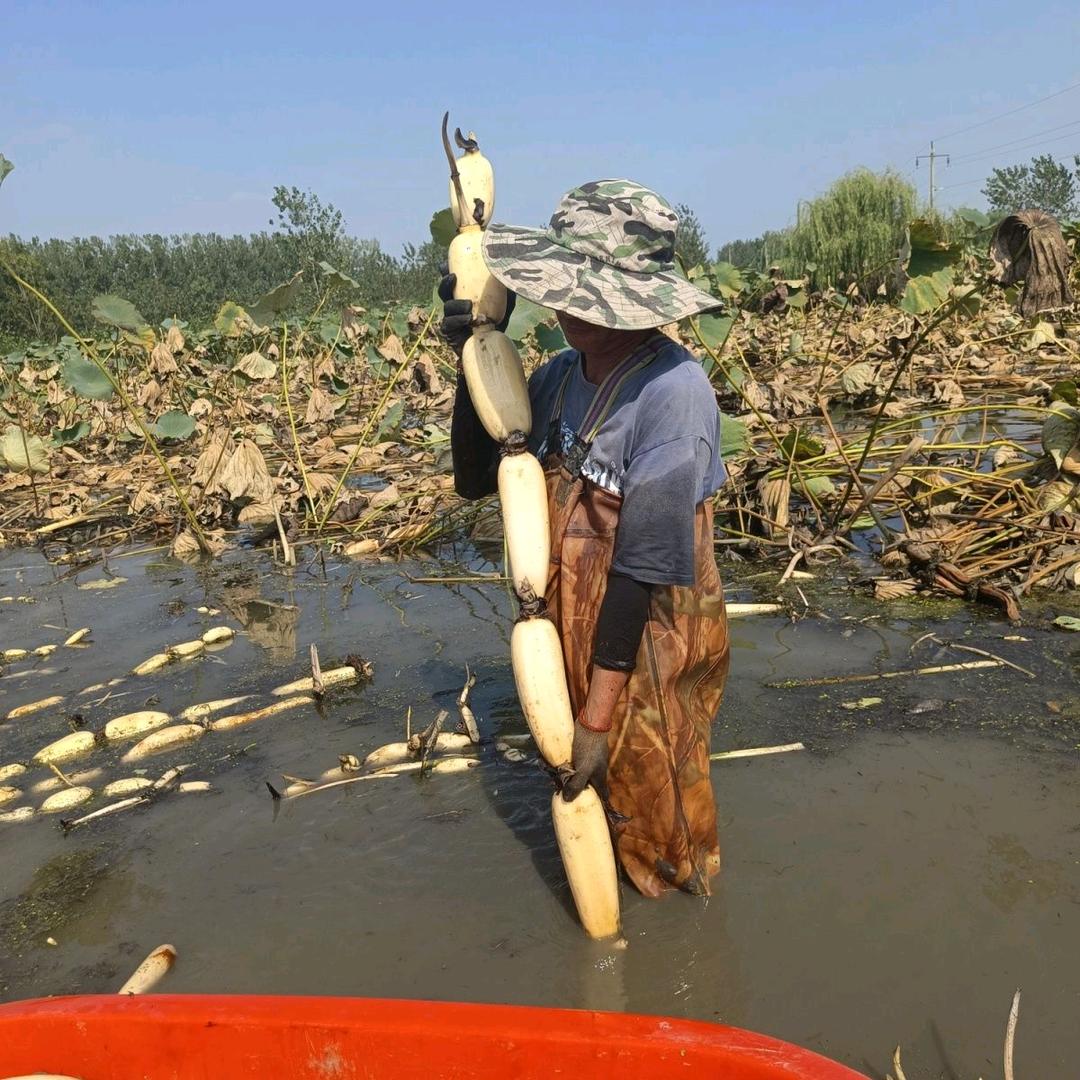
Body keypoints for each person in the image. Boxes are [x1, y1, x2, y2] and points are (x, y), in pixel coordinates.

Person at [441, 180, 730, 898]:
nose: (570, 307)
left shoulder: (674, 394)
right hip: (567, 624)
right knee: (585, 791)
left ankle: (679, 945)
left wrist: (599, 717)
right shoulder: (556, 377)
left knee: (661, 813)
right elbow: (477, 479)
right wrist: (472, 359)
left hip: (649, 637)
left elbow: (643, 567)